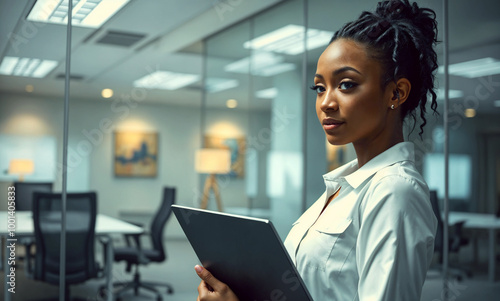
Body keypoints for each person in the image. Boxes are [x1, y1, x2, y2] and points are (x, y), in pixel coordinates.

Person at [194, 0, 438, 300]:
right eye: (320, 88)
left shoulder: (394, 191)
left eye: (346, 85)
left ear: (396, 93)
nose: (326, 103)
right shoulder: (343, 185)